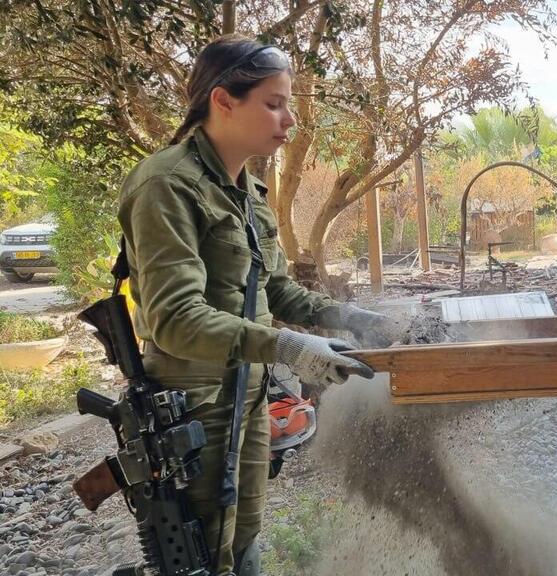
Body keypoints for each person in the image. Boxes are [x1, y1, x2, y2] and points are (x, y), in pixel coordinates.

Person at [118, 35, 397, 575]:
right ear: (223, 101)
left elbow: (269, 290)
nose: (289, 119)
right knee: (202, 555)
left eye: (287, 103)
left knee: (241, 541)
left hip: (247, 391)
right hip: (194, 401)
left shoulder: (246, 190)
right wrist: (290, 346)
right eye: (273, 103)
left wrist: (349, 317)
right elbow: (175, 319)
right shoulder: (166, 184)